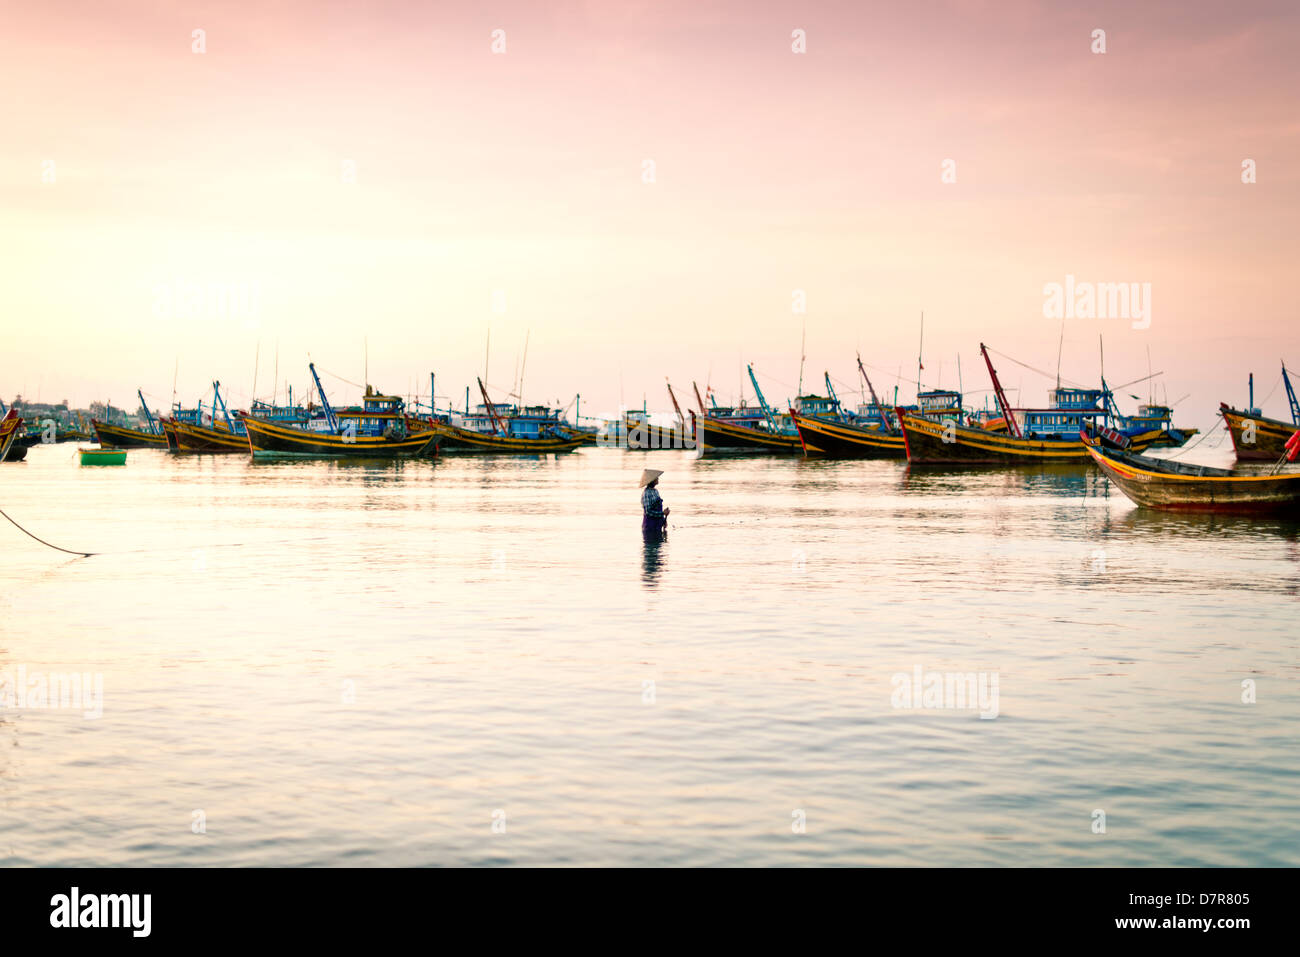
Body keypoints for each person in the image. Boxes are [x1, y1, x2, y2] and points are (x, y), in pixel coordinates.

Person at [639, 469, 669, 534]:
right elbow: (648, 512)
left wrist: (663, 520)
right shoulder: (646, 493)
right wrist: (663, 513)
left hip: (658, 525)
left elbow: (658, 509)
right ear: (652, 481)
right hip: (650, 527)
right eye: (656, 478)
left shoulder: (655, 491)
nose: (658, 479)